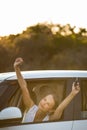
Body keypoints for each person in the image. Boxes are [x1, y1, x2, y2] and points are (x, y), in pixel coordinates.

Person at [14, 57, 80, 123]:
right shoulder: (30, 107)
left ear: (51, 110)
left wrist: (73, 93)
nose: (44, 103)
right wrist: (17, 69)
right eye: (44, 99)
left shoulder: (49, 119)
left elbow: (60, 108)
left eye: (48, 104)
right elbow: (23, 87)